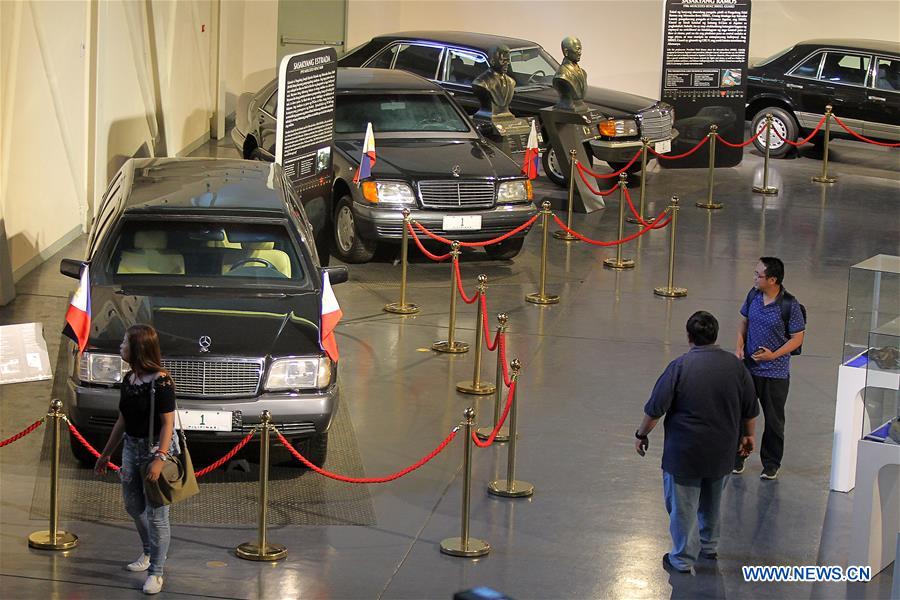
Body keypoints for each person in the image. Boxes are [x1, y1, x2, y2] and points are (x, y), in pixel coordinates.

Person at [635, 311, 758, 574]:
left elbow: (656, 409)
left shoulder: (679, 367)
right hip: (722, 453)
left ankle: (681, 559)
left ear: (689, 336)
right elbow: (750, 409)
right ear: (715, 335)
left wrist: (641, 434)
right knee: (713, 503)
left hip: (685, 455)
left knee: (683, 508)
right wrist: (749, 436)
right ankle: (709, 546)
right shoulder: (736, 367)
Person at [95, 324, 178, 595]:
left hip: (155, 449)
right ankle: (148, 551)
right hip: (131, 447)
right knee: (133, 505)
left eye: (124, 343)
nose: (120, 347)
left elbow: (168, 423)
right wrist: (106, 454)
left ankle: (157, 571)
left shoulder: (161, 381)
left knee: (157, 515)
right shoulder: (129, 380)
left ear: (139, 348)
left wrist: (160, 458)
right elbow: (123, 420)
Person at [733, 257, 805, 480]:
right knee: (741, 413)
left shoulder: (789, 305)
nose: (754, 278)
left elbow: (797, 338)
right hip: (750, 369)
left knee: (774, 420)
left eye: (758, 275)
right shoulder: (753, 295)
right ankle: (737, 456)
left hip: (775, 373)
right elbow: (744, 323)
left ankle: (771, 463)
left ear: (773, 280)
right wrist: (739, 346)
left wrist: (774, 355)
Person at [472, 45, 516, 119]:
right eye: (503, 60)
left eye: (508, 60)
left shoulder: (511, 82)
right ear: (492, 61)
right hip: (489, 115)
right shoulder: (481, 82)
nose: (507, 63)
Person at [552, 36, 588, 112]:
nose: (580, 53)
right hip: (568, 106)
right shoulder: (562, 75)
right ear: (566, 52)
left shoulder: (583, 73)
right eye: (577, 49)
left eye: (580, 49)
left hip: (579, 107)